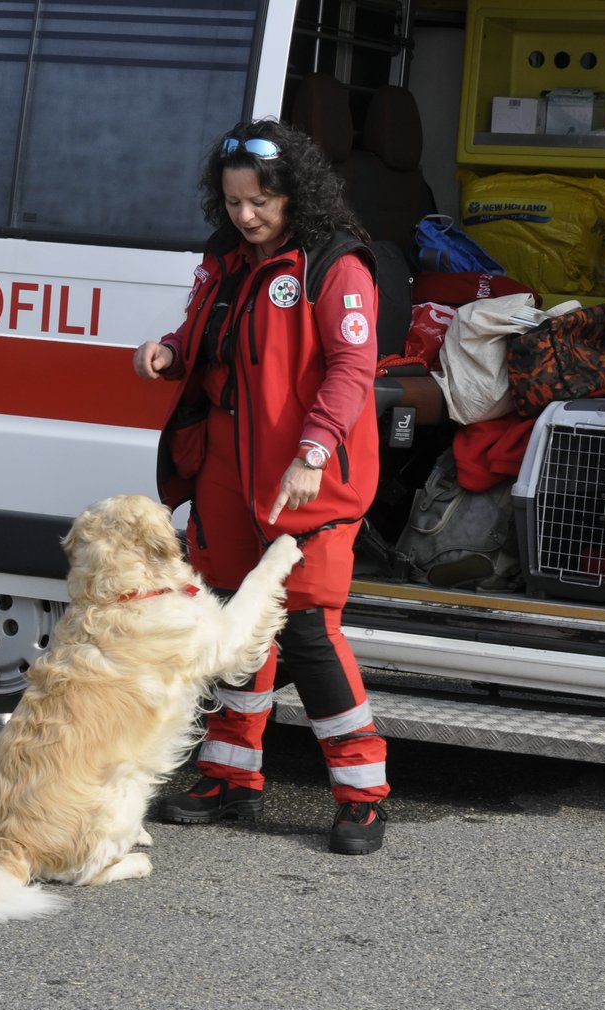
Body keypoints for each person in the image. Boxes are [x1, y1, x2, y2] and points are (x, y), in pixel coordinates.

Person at [132, 118, 390, 855]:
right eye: (234, 201)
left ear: (292, 193)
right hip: (227, 477)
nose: (246, 215)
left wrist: (313, 451)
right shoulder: (226, 260)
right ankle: (230, 776)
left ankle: (364, 795)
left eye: (260, 202)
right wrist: (166, 353)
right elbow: (201, 338)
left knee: (309, 633)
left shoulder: (336, 265)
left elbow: (352, 368)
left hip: (307, 484)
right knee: (232, 630)